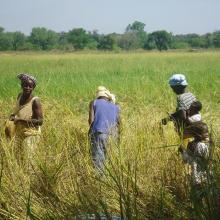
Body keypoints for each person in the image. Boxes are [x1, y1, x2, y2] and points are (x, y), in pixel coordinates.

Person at [9, 73, 43, 169]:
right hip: (19, 132)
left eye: (30, 86)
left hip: (31, 133)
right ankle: (22, 180)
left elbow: (40, 121)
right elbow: (17, 111)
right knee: (19, 159)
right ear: (21, 85)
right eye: (25, 85)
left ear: (33, 88)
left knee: (29, 161)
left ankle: (31, 180)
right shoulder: (20, 96)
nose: (27, 88)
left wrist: (20, 120)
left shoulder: (35, 101)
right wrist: (12, 116)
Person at [178, 122, 210, 212]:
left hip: (196, 175)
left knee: (196, 197)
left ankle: (197, 212)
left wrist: (182, 151)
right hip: (206, 175)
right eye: (206, 132)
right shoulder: (206, 144)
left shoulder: (192, 144)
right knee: (206, 197)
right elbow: (204, 159)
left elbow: (187, 160)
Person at [88, 86, 120, 171]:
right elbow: (118, 123)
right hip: (113, 134)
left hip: (99, 132)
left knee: (98, 160)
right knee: (110, 160)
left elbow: (91, 121)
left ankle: (99, 181)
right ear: (107, 96)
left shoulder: (93, 102)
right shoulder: (115, 106)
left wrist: (90, 133)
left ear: (98, 95)